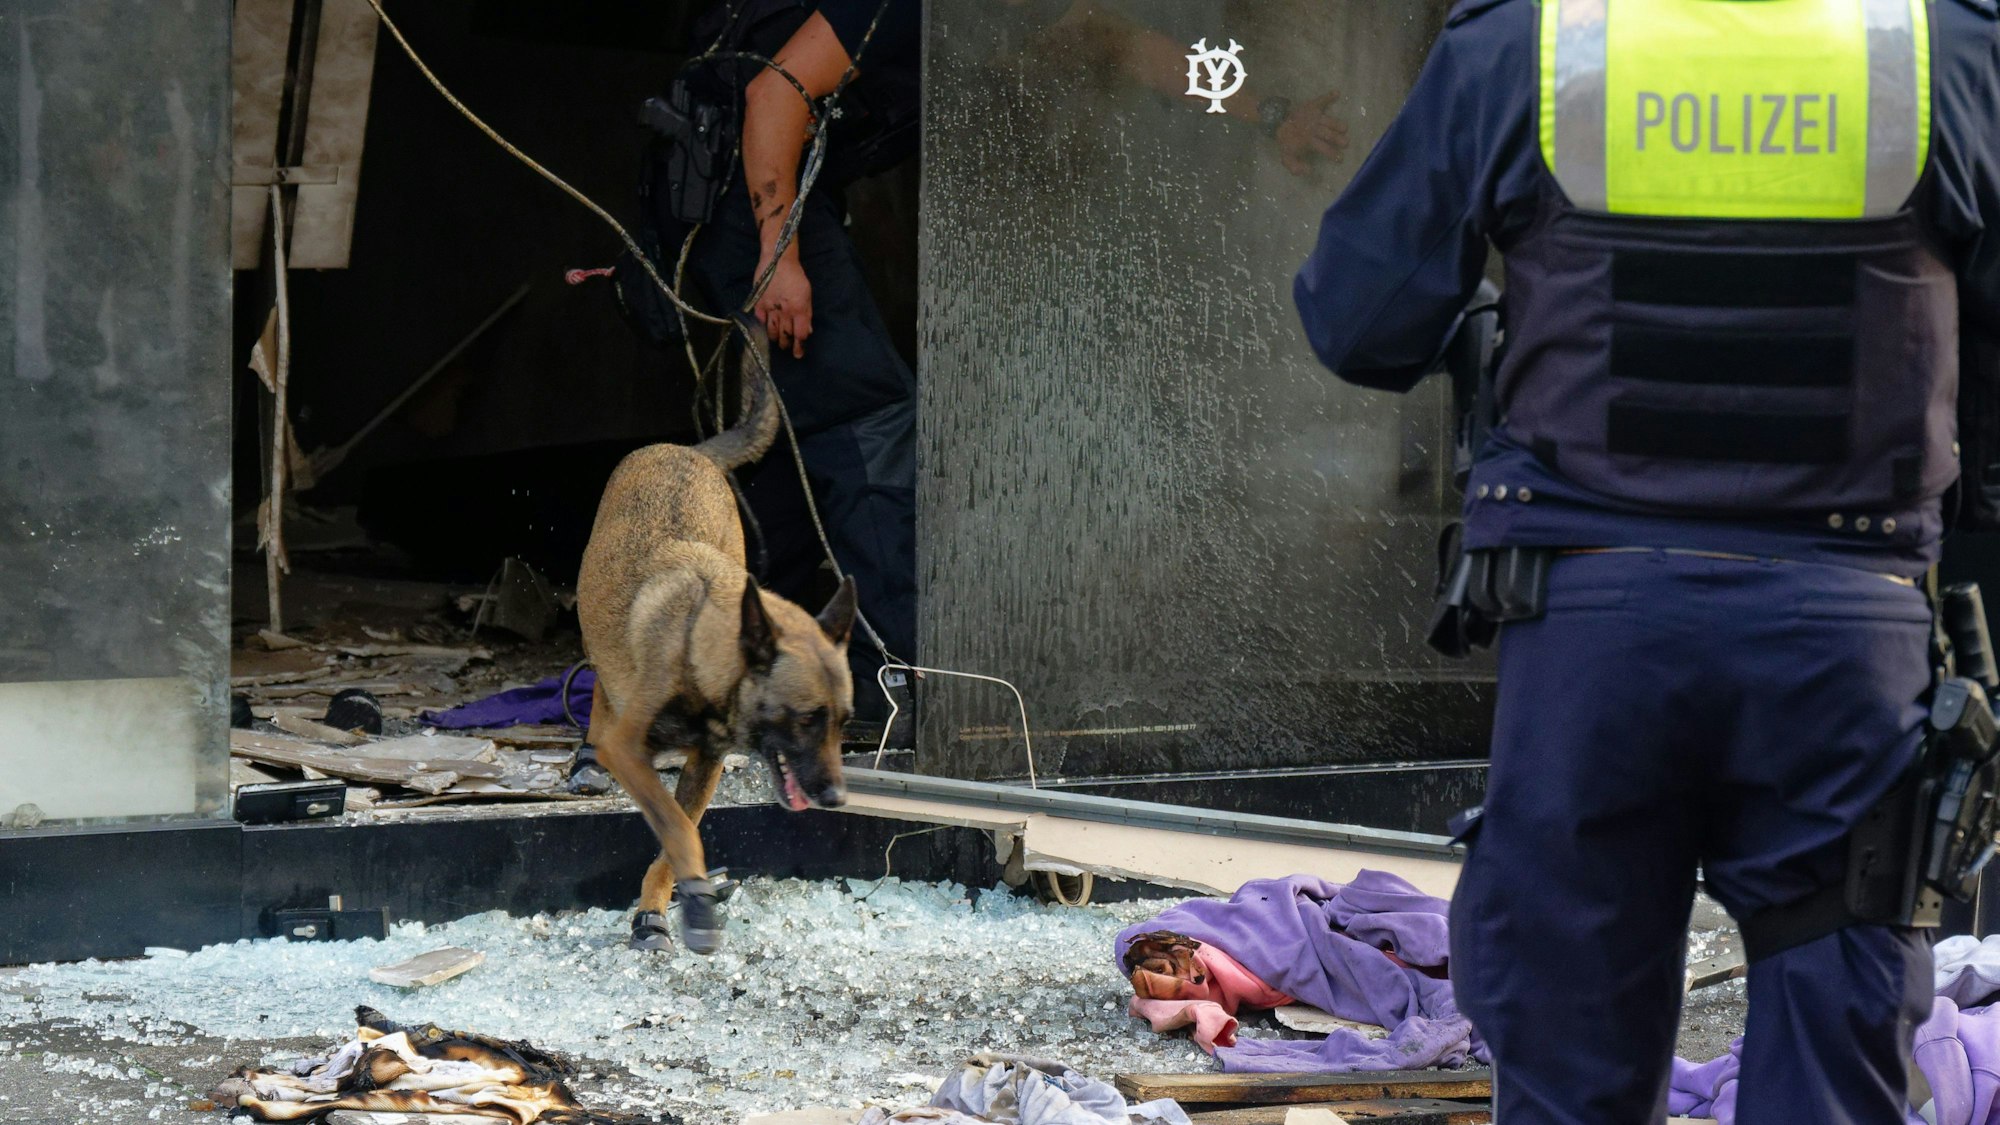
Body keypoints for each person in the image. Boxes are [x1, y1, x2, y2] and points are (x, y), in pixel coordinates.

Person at [1293, 1, 2000, 1121]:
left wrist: (1494, 322)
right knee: (1834, 1066)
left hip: (1588, 630)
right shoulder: (1942, 52)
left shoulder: (1528, 42)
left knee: (1567, 1067)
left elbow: (1357, 319)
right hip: (1841, 634)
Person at [683, 0, 925, 724]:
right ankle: (895, 680)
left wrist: (1265, 112)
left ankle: (711, 655)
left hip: (787, 184)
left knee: (800, 440)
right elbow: (775, 91)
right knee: (866, 412)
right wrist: (779, 252)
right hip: (743, 177)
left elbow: (1121, 48)